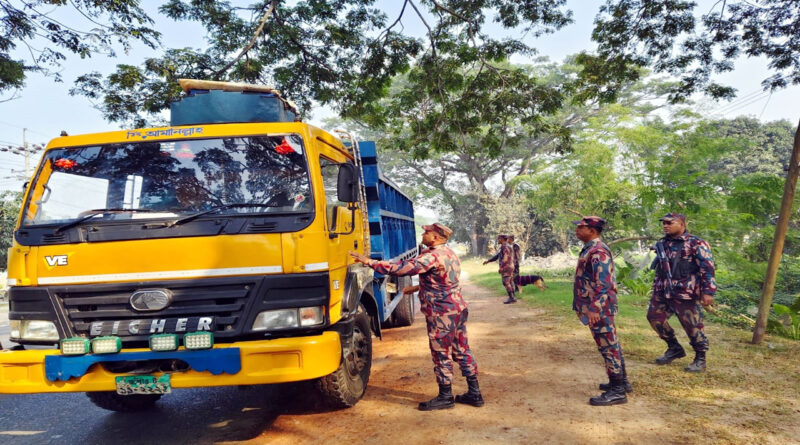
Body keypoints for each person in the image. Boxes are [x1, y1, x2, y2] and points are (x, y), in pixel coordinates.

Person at [350, 222, 483, 411]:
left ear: (435, 237)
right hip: (457, 309)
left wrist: (369, 262)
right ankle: (474, 393)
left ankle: (445, 396)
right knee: (462, 349)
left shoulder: (431, 256)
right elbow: (441, 281)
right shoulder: (449, 253)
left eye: (426, 232)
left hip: (441, 313)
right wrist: (415, 288)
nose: (423, 234)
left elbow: (400, 268)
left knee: (441, 353)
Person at [647, 213, 717, 372]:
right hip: (662, 290)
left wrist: (708, 291)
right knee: (654, 317)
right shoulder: (663, 243)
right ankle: (674, 348)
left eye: (669, 223)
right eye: (663, 223)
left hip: (685, 291)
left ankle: (700, 358)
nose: (665, 226)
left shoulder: (696, 243)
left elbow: (707, 268)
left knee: (692, 325)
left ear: (682, 224)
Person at [572, 216, 630, 406]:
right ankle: (622, 382)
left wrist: (594, 308)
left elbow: (603, 283)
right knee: (611, 343)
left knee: (608, 346)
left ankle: (618, 391)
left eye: (581, 228)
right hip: (596, 305)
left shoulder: (598, 251)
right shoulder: (590, 248)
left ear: (592, 230)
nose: (577, 230)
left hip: (599, 307)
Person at [483, 234, 517, 303]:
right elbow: (497, 256)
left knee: (506, 282)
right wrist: (488, 261)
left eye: (498, 239)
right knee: (509, 281)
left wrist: (502, 267)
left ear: (501, 239)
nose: (498, 240)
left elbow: (505, 257)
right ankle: (513, 297)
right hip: (510, 266)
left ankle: (511, 298)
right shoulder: (507, 246)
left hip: (506, 266)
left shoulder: (505, 247)